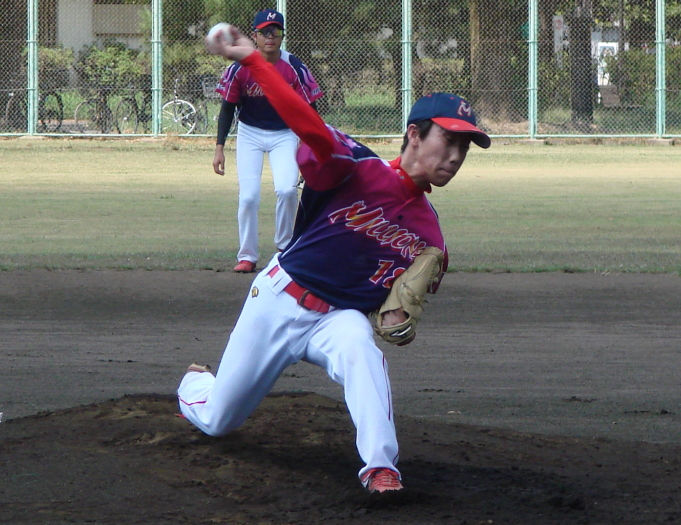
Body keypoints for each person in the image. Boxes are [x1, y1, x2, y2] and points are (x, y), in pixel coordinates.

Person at [179, 24, 491, 493]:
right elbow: (308, 125)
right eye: (449, 140)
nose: (456, 156)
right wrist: (255, 62)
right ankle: (195, 384)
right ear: (413, 134)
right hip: (278, 300)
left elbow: (394, 309)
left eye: (464, 147)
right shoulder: (356, 165)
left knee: (361, 348)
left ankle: (381, 468)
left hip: (337, 320)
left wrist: (395, 317)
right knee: (218, 420)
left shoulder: (431, 241)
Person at [212, 9, 323, 273]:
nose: (270, 36)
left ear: (282, 35)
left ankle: (284, 249)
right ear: (255, 36)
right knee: (249, 197)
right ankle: (247, 256)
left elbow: (311, 110)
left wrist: (311, 145)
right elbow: (227, 108)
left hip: (285, 134)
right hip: (249, 133)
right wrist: (219, 147)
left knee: (286, 190)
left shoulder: (294, 67)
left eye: (276, 31)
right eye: (264, 32)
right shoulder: (239, 67)